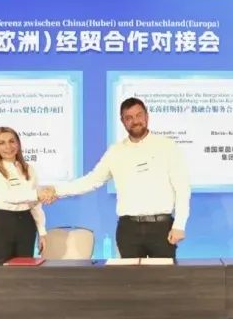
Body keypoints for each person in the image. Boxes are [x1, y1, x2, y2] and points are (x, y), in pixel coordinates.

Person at [40, 97, 190, 259]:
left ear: (147, 116)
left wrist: (179, 225)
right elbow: (91, 180)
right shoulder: (115, 152)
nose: (135, 121)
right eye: (129, 118)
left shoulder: (167, 146)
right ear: (123, 121)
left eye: (139, 115)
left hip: (162, 228)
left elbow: (182, 188)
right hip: (128, 229)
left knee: (164, 275)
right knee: (127, 275)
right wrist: (56, 190)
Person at [0, 126, 47, 262]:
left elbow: (35, 205)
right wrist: (37, 193)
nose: (8, 147)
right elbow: (8, 196)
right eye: (2, 143)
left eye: (12, 141)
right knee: (0, 270)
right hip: (3, 224)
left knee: (24, 271)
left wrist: (42, 232)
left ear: (18, 143)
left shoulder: (28, 169)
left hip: (26, 224)